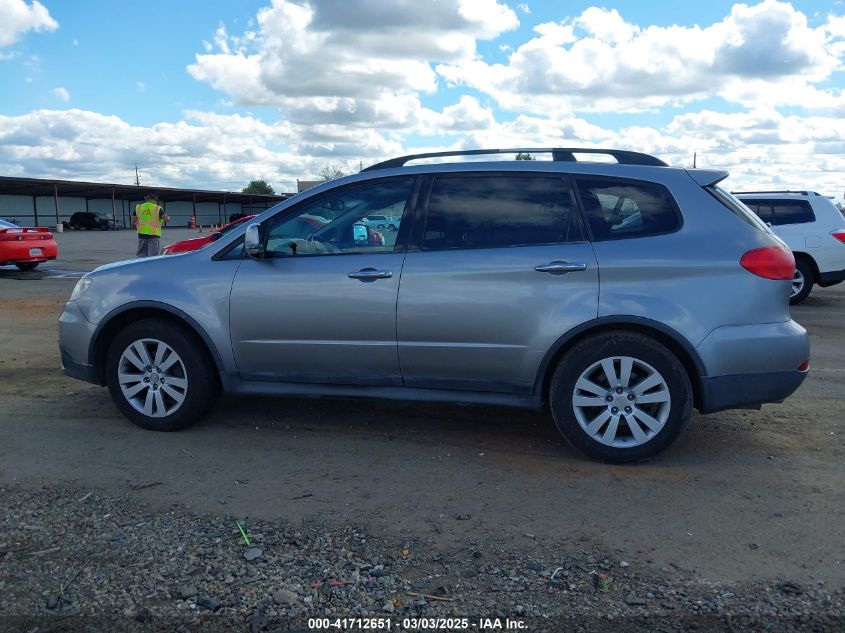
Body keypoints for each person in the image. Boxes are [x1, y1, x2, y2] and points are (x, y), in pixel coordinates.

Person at [133, 193, 169, 257]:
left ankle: (142, 266)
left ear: (146, 199)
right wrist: (168, 217)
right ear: (154, 200)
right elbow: (166, 219)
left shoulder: (138, 207)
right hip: (153, 235)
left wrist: (136, 227)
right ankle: (151, 266)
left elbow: (133, 221)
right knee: (152, 256)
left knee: (141, 255)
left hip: (141, 235)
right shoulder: (157, 208)